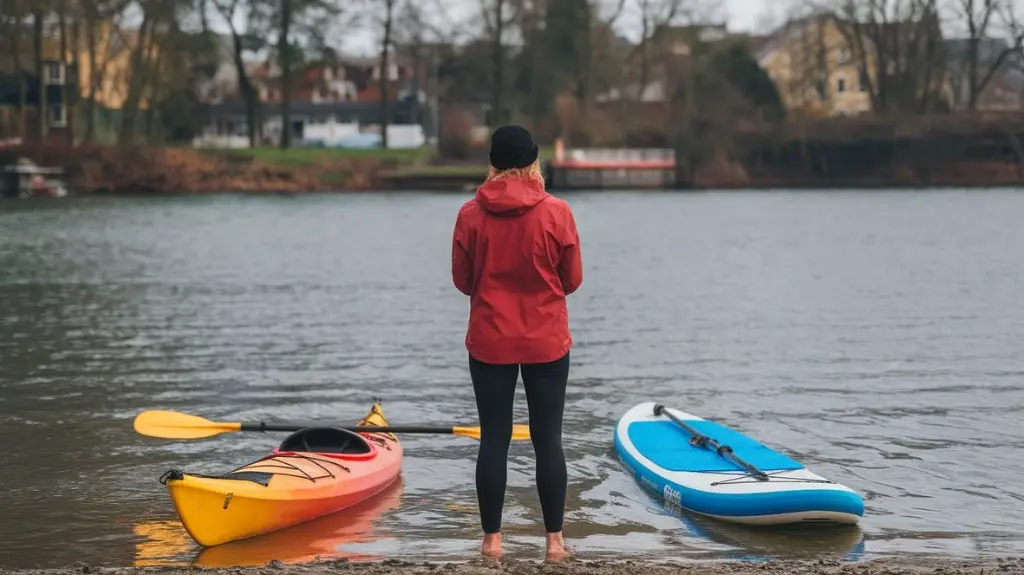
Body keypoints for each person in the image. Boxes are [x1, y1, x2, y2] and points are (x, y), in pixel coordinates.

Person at [450, 124, 583, 561]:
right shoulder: (557, 212)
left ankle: (491, 542)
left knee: (494, 439)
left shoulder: (470, 214)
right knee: (549, 440)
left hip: (490, 339)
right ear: (533, 162)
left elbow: (463, 281)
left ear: (492, 164)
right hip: (546, 340)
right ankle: (555, 544)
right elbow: (572, 280)